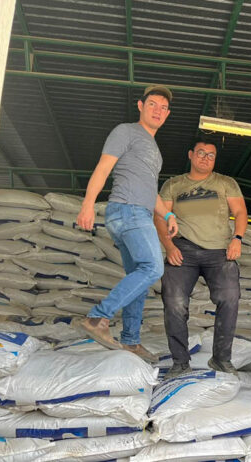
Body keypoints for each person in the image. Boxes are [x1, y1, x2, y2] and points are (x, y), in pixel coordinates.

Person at [76, 85, 177, 362]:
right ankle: (98, 318)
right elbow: (103, 168)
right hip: (128, 211)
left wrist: (168, 215)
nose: (158, 110)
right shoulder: (126, 131)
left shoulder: (154, 149)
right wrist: (87, 204)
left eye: (163, 108)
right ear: (140, 106)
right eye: (153, 104)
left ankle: (131, 341)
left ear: (168, 114)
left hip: (137, 213)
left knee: (140, 277)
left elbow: (150, 191)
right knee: (153, 267)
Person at [156, 138, 248, 379]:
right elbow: (159, 217)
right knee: (174, 302)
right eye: (201, 153)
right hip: (182, 249)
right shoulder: (173, 184)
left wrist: (237, 238)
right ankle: (180, 363)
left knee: (230, 297)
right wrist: (169, 247)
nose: (205, 158)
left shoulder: (226, 183)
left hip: (219, 251)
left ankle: (221, 359)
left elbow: (240, 212)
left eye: (210, 155)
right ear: (190, 154)